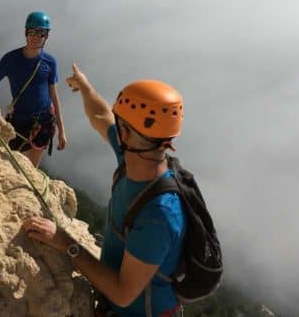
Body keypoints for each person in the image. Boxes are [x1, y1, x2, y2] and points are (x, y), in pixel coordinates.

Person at [22, 64, 187, 317]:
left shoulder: (158, 214)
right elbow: (101, 116)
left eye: (120, 122)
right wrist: (85, 88)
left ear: (126, 133)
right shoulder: (136, 156)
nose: (115, 124)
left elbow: (122, 294)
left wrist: (65, 242)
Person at [0, 11, 67, 167]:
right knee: (13, 165)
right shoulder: (11, 59)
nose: (36, 37)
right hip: (19, 120)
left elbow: (53, 95)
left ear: (46, 36)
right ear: (26, 32)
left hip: (43, 120)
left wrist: (61, 130)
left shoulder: (50, 62)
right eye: (32, 32)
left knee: (32, 169)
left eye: (41, 33)